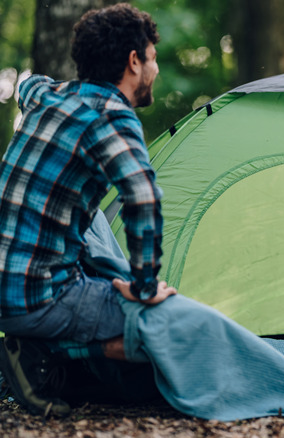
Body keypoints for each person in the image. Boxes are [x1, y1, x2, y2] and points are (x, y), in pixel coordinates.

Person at [0, 3, 176, 416]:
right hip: (39, 296)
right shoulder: (113, 118)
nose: (155, 70)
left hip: (8, 284)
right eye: (152, 58)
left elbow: (28, 84)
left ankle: (36, 345)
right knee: (168, 325)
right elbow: (143, 200)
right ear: (134, 61)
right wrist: (144, 288)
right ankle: (46, 355)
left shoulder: (46, 95)